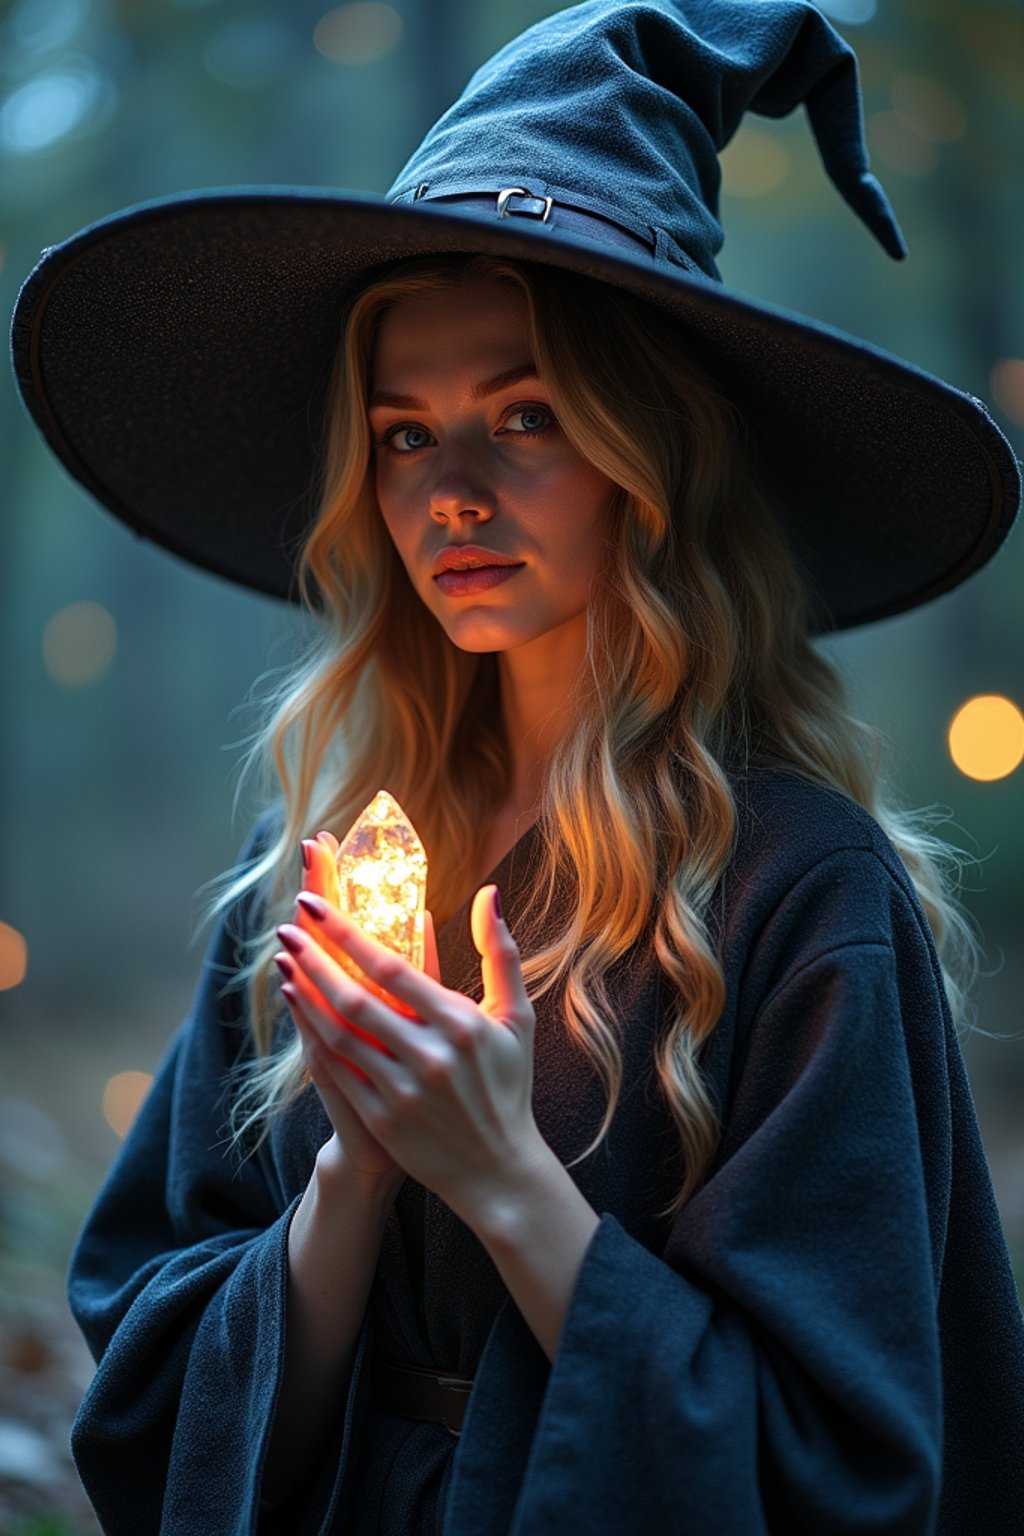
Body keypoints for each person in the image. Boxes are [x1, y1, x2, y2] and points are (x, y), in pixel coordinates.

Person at [11, 2, 1024, 1533]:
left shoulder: (800, 893)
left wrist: (503, 1176)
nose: (454, 495)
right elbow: (152, 1393)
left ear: (652, 459)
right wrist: (354, 1169)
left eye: (527, 418)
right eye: (407, 436)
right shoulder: (319, 882)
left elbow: (853, 1463)